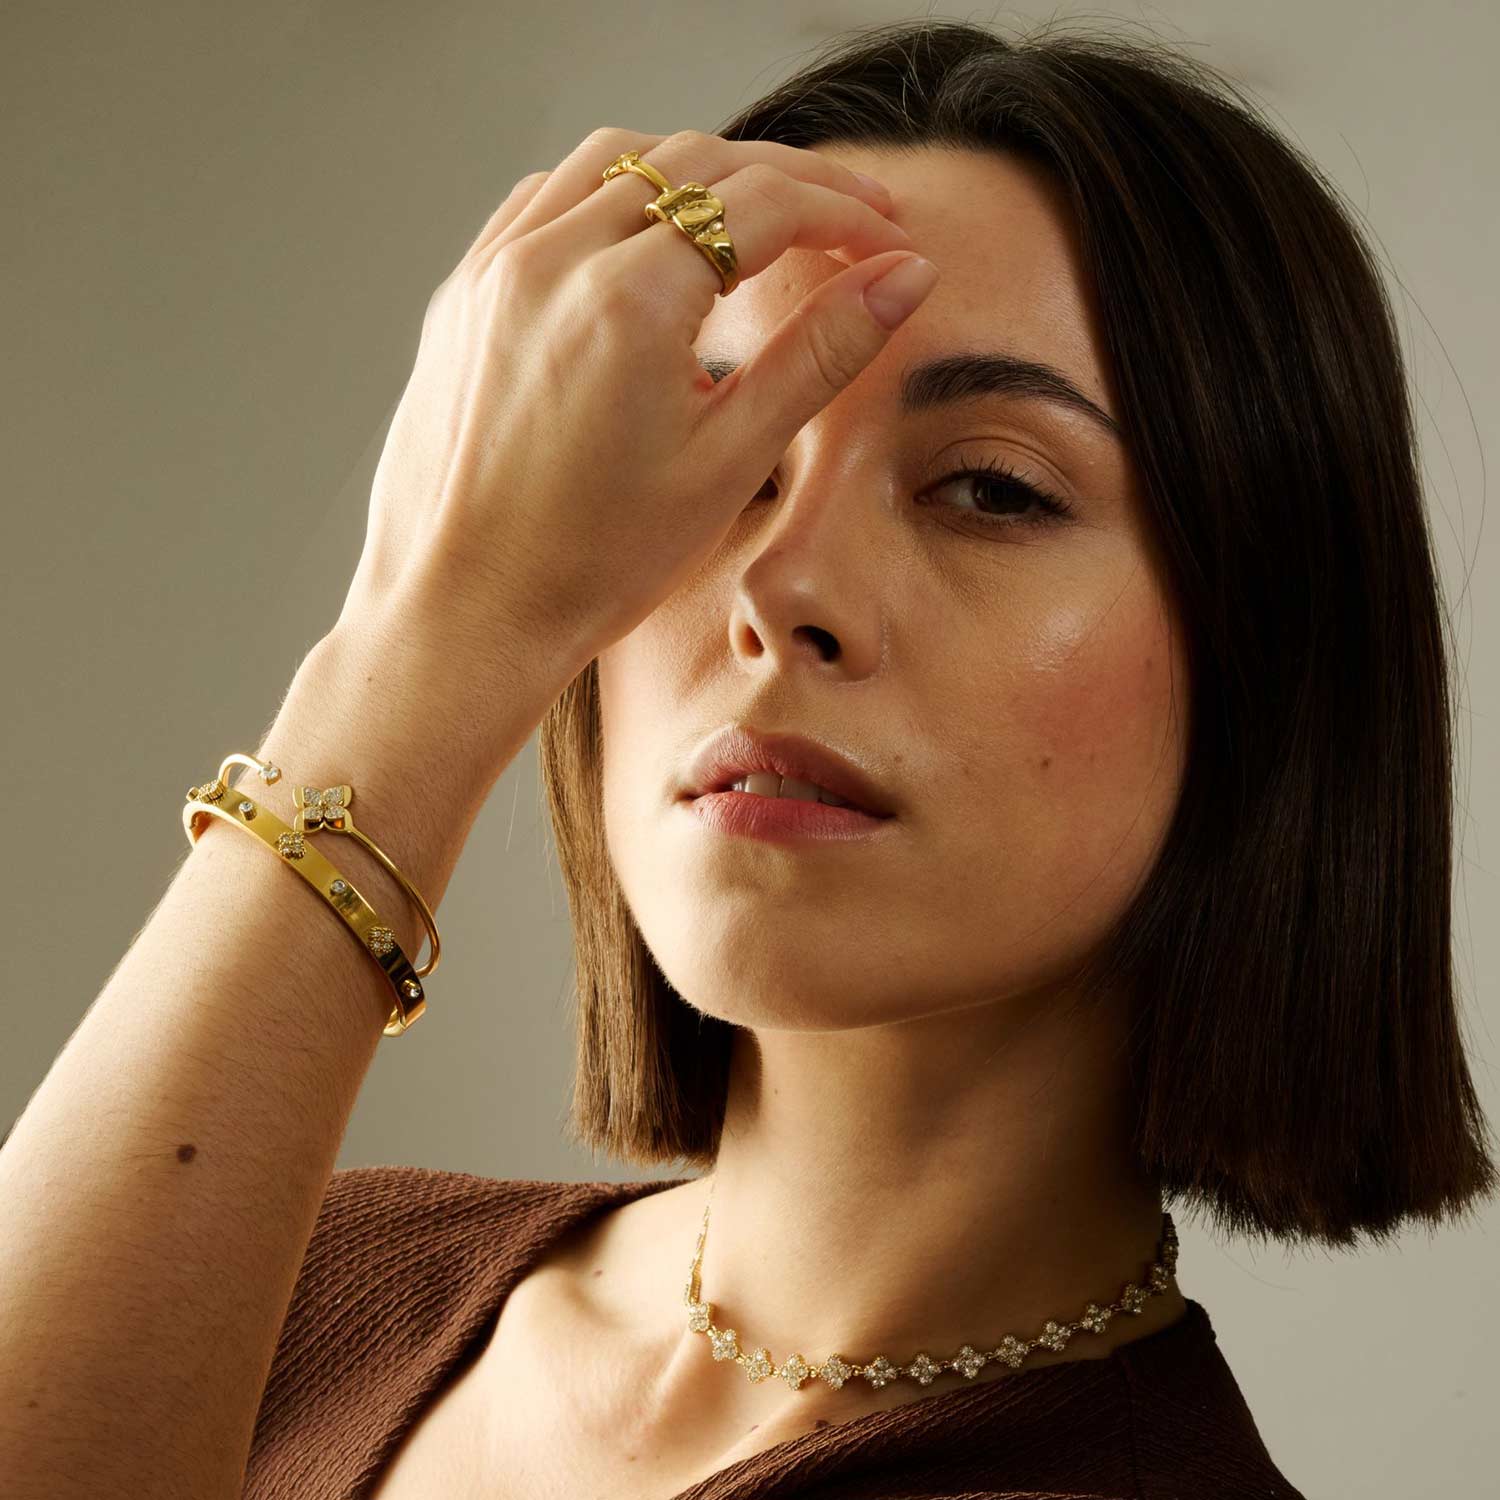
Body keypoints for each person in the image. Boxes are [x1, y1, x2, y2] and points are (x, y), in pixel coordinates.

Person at [1, 16, 1493, 1500]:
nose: (782, 589)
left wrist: (423, 659)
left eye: (989, 486)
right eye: (723, 466)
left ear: (1275, 653)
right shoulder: (295, 1285)